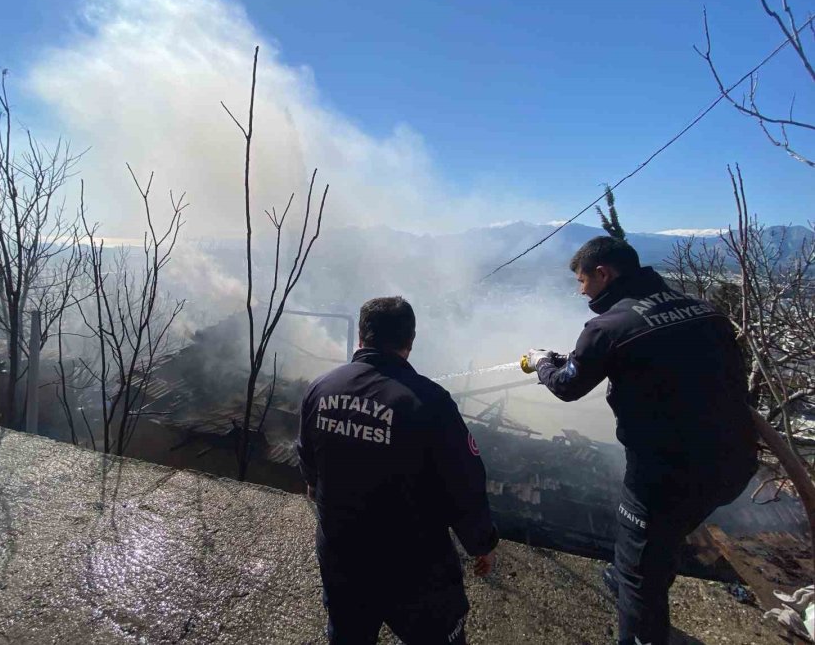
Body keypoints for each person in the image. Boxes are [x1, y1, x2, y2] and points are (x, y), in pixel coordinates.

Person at [524, 236, 758, 645]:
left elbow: (566, 386)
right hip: (735, 463)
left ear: (603, 273)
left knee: (639, 575)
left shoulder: (608, 326)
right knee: (660, 536)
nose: (581, 292)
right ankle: (635, 566)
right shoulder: (705, 312)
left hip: (668, 475)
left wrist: (543, 361)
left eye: (582, 282)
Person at [297, 296, 498, 645]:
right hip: (415, 569)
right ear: (410, 341)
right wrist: (481, 543)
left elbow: (307, 456)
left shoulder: (321, 387)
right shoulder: (430, 402)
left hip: (341, 556)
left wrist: (315, 487)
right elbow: (464, 482)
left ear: (361, 337)